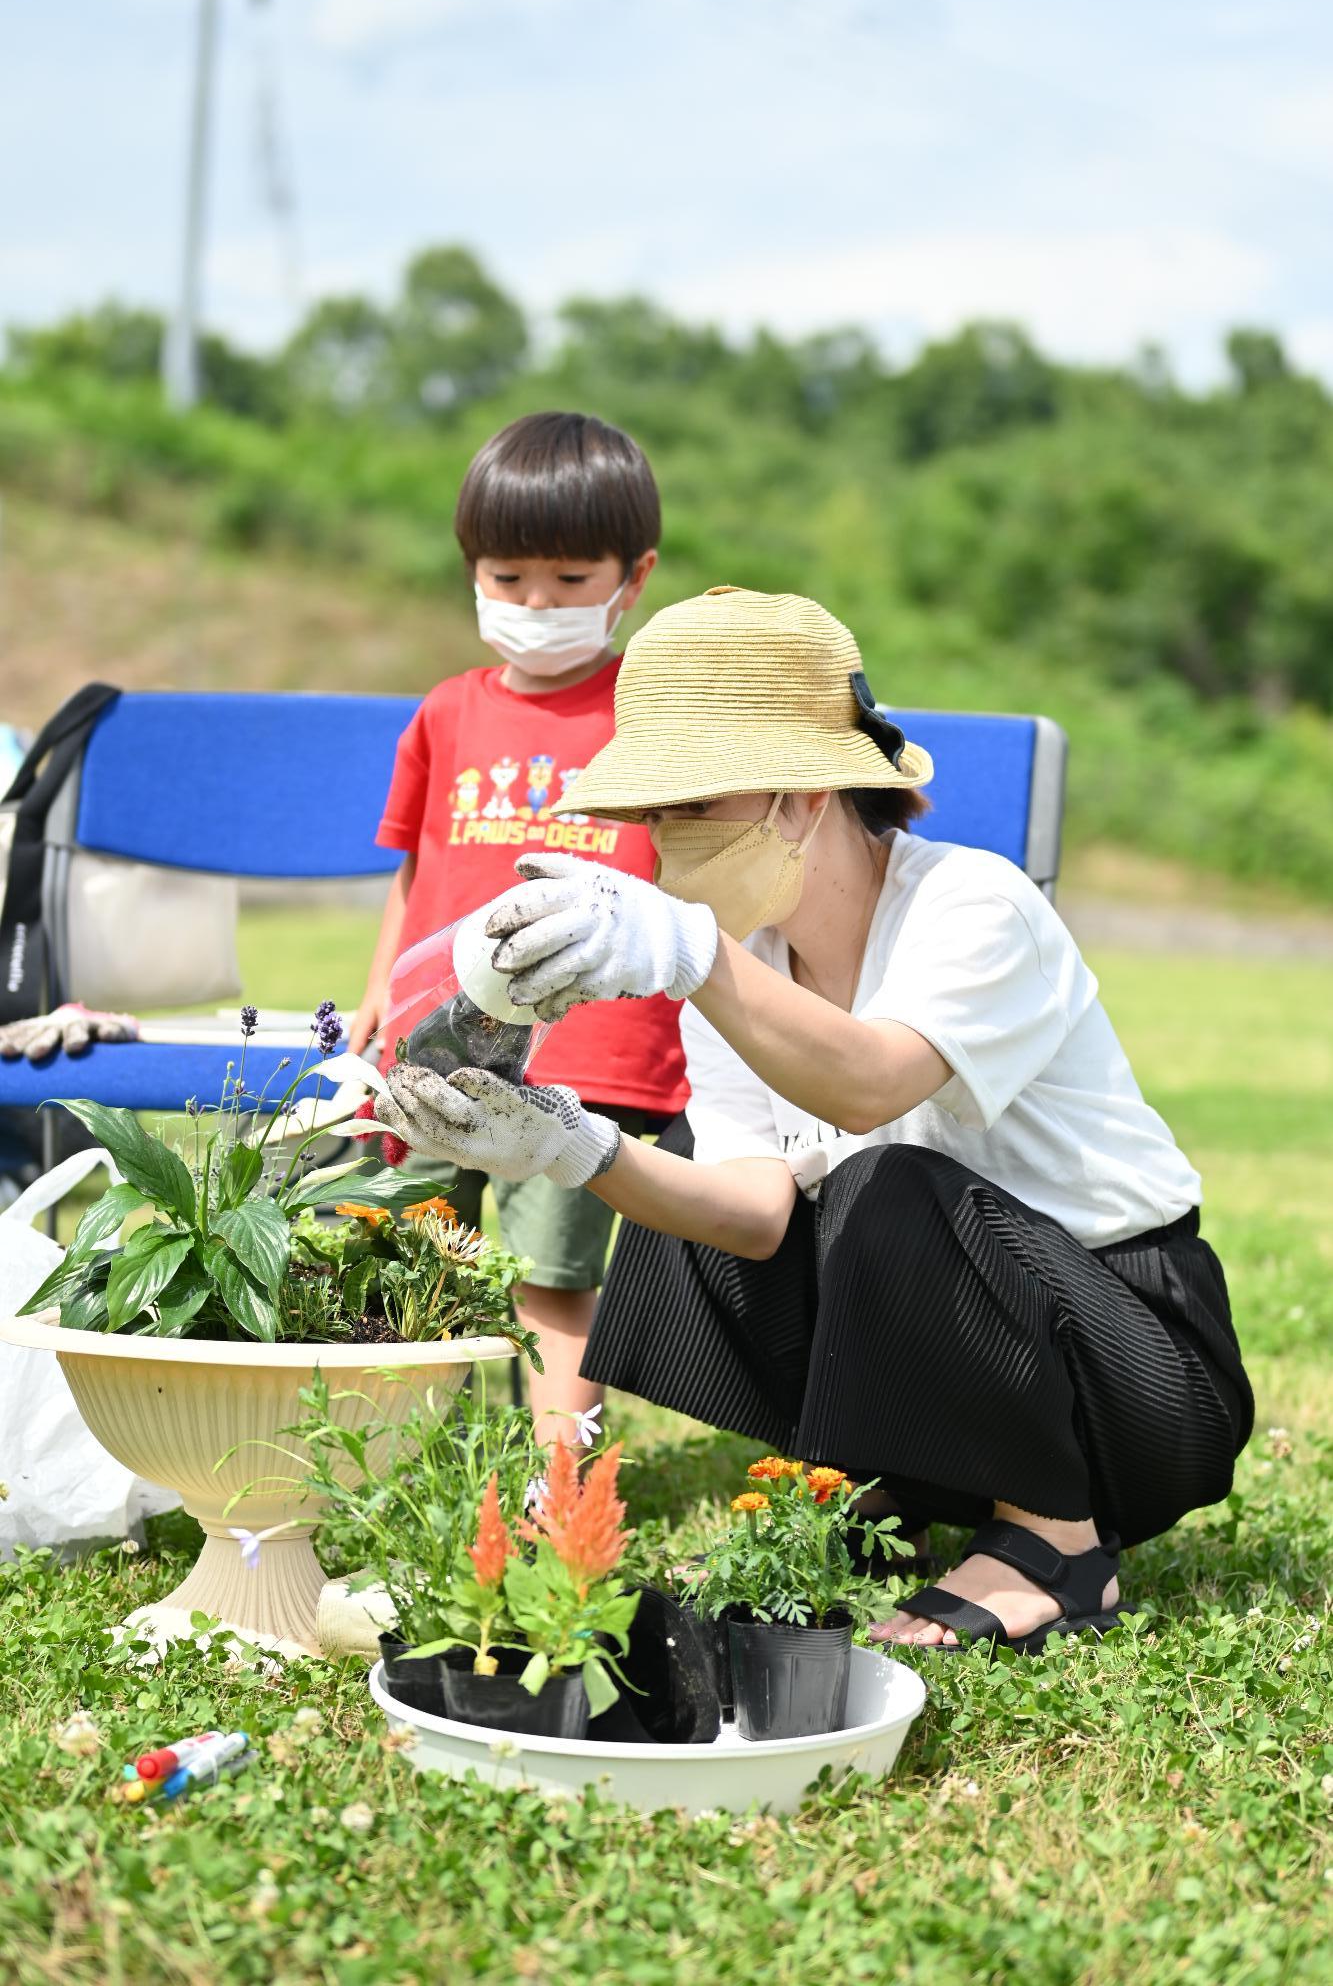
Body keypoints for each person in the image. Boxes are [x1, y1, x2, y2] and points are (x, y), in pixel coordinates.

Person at [372, 585, 1254, 1653]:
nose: (662, 840)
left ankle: (1053, 1547)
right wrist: (574, 1146)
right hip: (975, 1337)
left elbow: (870, 1083)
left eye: (693, 803)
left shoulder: (974, 904)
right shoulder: (742, 969)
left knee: (883, 1182)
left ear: (802, 797)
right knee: (686, 1173)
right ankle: (894, 1480)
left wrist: (696, 961)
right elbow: (749, 1213)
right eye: (653, 814)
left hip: (1136, 1363)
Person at [349, 412, 686, 1440]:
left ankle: (556, 1478)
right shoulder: (447, 710)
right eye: (508, 577)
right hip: (435, 1041)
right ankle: (389, 1456)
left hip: (586, 1050)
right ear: (472, 573)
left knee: (549, 1280)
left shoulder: (656, 711)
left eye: (570, 579)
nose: (537, 602)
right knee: (398, 1251)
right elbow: (417, 871)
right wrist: (377, 997)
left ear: (634, 576)